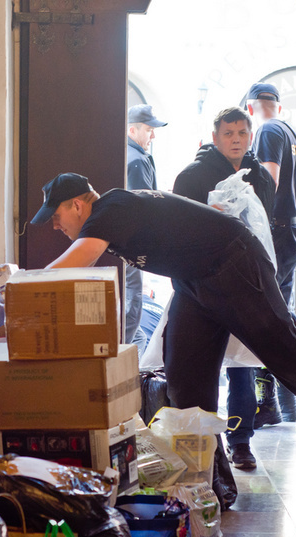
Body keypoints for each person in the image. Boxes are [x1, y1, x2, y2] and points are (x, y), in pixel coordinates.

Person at [29, 172, 296, 496]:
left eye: (56, 215)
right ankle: (211, 481)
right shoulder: (113, 213)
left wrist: (21, 291)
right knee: (185, 381)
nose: (56, 225)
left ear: (77, 204)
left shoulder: (112, 206)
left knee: (286, 357)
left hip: (234, 264)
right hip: (193, 282)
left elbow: (81, 258)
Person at [172, 107, 275, 470]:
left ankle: (241, 441)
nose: (235, 139)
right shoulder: (191, 177)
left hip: (246, 285)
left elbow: (265, 232)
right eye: (228, 133)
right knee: (200, 370)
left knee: (243, 367)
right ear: (215, 138)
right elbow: (178, 234)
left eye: (242, 133)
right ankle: (204, 450)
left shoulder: (260, 177)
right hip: (201, 286)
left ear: (250, 136)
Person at [246, 82, 296, 427]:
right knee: (278, 311)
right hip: (294, 229)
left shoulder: (268, 131)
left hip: (276, 230)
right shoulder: (293, 134)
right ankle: (284, 401)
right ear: (278, 106)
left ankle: (270, 400)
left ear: (251, 108)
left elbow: (267, 181)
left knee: (264, 314)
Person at [124, 105, 167, 352]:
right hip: (132, 247)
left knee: (135, 323)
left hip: (125, 246)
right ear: (133, 130)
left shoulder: (127, 156)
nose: (153, 136)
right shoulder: (137, 160)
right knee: (132, 308)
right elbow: (143, 208)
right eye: (149, 130)